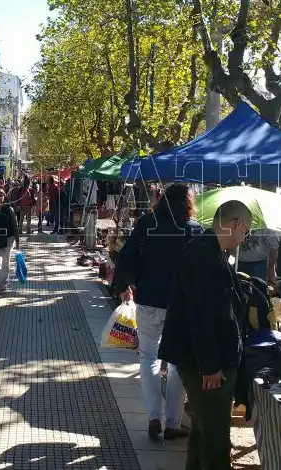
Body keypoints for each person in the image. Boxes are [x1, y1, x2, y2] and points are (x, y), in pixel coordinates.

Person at [160, 200, 252, 470]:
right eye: (246, 231)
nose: (245, 238)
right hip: (206, 364)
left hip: (208, 361)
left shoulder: (212, 251)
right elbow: (200, 315)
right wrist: (210, 365)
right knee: (215, 438)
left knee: (203, 431)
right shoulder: (203, 253)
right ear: (236, 224)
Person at [116, 184, 202, 440]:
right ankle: (173, 422)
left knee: (147, 358)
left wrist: (125, 286)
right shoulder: (194, 229)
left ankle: (154, 416)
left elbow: (128, 255)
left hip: (149, 301)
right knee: (176, 363)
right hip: (180, 305)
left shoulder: (147, 223)